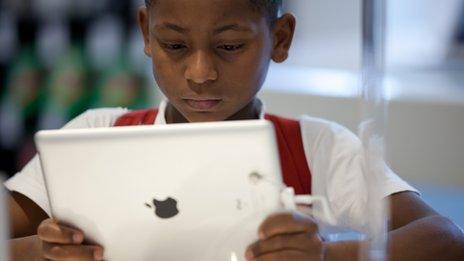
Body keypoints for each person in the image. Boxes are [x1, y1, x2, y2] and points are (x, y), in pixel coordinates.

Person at [5, 0, 464, 260]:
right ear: (146, 34)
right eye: (175, 45)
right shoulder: (96, 135)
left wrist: (326, 257)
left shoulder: (317, 148)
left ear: (280, 39)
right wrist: (43, 254)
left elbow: (445, 240)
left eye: (229, 46)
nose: (200, 73)